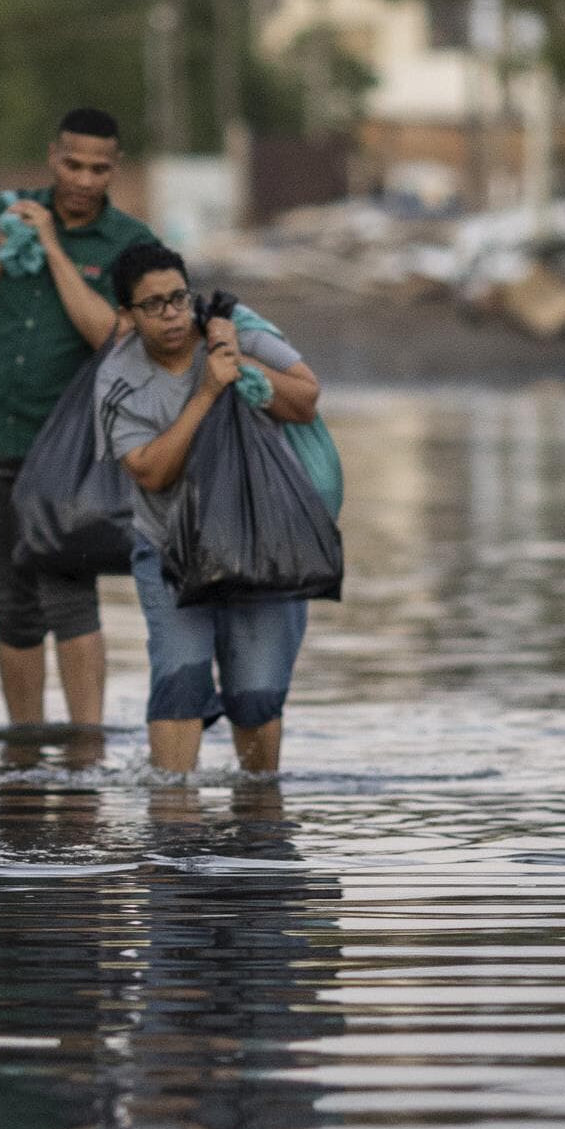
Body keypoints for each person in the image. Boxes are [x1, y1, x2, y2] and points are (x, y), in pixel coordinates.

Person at [0, 107, 156, 727]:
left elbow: (112, 335)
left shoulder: (132, 244)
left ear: (116, 168)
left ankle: (87, 749)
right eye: (72, 163)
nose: (83, 179)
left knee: (70, 590)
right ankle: (24, 751)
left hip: (71, 447)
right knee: (13, 597)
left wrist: (52, 246)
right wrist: (3, 256)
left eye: (98, 168)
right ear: (53, 156)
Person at [98, 242, 322, 774]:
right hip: (170, 550)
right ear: (127, 316)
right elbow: (151, 472)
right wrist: (206, 391)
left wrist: (236, 361)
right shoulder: (117, 380)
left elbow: (307, 400)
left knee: (257, 695)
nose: (172, 314)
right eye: (153, 305)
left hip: (265, 546)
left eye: (178, 297)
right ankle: (173, 827)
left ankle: (259, 814)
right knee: (179, 681)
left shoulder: (234, 329)